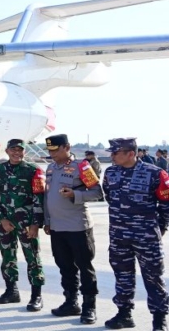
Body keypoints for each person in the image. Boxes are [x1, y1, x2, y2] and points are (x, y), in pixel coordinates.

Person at [102, 137, 169, 330]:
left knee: (153, 277)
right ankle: (124, 314)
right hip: (118, 236)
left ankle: (159, 319)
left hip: (146, 236)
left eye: (116, 153)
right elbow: (109, 196)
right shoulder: (110, 172)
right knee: (122, 276)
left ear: (130, 153)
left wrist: (158, 229)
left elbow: (166, 206)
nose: (112, 156)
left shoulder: (155, 173)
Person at [43, 134, 103, 324]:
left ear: (66, 147)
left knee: (85, 267)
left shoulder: (82, 167)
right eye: (49, 150)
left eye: (55, 150)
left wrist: (75, 194)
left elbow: (97, 192)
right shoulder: (51, 168)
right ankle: (71, 302)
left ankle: (89, 307)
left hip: (77, 226)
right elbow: (48, 195)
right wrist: (47, 220)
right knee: (65, 267)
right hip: (57, 227)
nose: (51, 154)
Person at [0, 139, 45, 311]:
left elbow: (39, 198)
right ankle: (11, 291)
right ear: (7, 151)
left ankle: (36, 296)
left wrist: (36, 224)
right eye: (13, 150)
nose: (16, 153)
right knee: (7, 256)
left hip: (27, 224)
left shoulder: (33, 170)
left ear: (24, 152)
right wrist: (1, 219)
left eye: (20, 150)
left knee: (33, 257)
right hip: (6, 223)